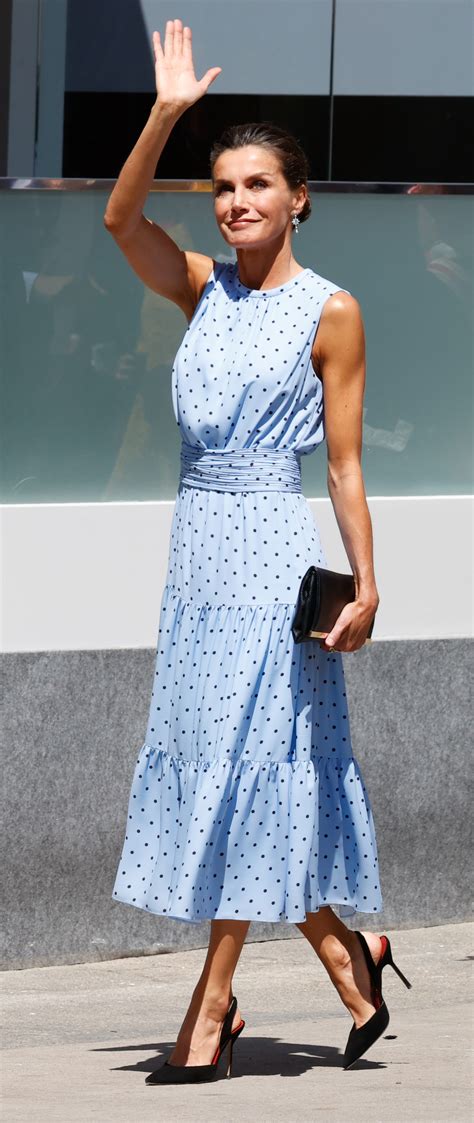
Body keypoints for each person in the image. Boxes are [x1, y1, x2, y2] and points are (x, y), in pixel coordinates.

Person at [104, 18, 411, 1085]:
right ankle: (346, 950)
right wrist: (164, 115)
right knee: (230, 780)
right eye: (224, 186)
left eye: (256, 185)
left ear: (298, 197)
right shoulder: (200, 287)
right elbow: (119, 217)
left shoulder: (332, 313)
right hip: (197, 559)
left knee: (248, 770)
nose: (235, 202)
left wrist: (369, 583)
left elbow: (343, 467)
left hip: (277, 560)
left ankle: (213, 1001)